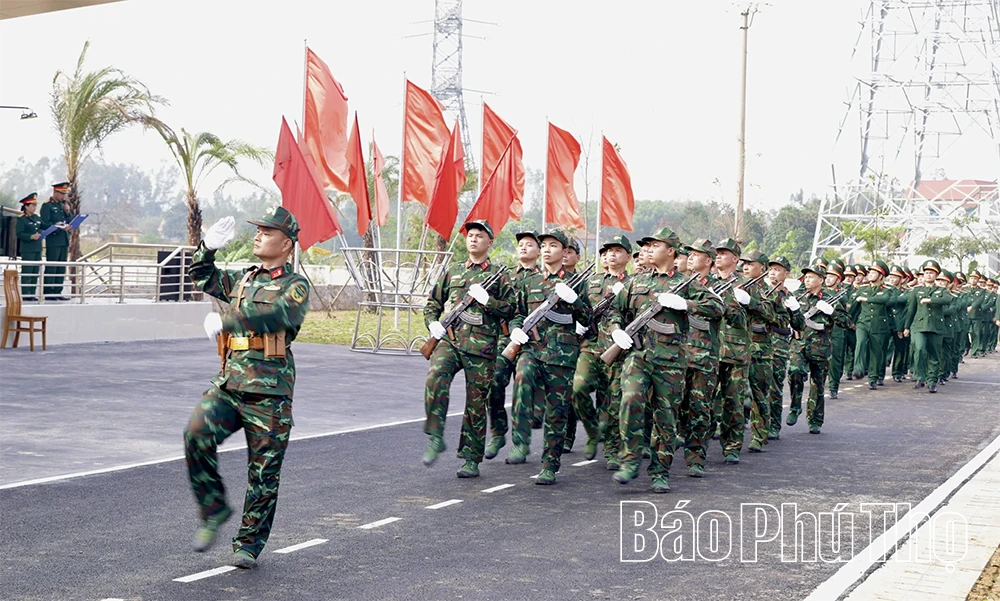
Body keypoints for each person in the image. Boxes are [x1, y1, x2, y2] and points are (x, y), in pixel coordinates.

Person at [184, 207, 310, 569]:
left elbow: (278, 316)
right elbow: (203, 277)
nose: (257, 235)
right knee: (196, 434)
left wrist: (227, 320)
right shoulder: (244, 278)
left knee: (263, 473)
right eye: (257, 230)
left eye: (266, 232)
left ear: (286, 243)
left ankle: (249, 543)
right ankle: (214, 508)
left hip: (269, 391)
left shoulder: (295, 285)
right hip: (231, 384)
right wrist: (207, 247)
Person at [607, 227, 720, 492]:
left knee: (666, 418)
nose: (648, 249)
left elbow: (717, 308)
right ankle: (630, 460)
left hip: (671, 362)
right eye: (646, 246)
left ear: (670, 251)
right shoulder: (636, 282)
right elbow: (614, 310)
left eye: (654, 245)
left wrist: (687, 305)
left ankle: (660, 471)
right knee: (631, 399)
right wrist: (616, 330)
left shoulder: (687, 284)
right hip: (638, 356)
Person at [422, 220, 513, 477]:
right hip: (451, 341)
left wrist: (490, 302)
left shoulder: (500, 274)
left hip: (482, 348)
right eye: (470, 235)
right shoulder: (453, 271)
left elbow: (511, 309)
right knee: (435, 376)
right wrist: (432, 325)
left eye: (479, 236)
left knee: (475, 404)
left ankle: (471, 458)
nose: (473, 239)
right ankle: (435, 433)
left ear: (490, 242)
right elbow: (433, 303)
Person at [506, 229, 592, 484]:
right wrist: (515, 328)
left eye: (553, 245)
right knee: (523, 376)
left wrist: (575, 301)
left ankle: (549, 465)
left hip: (562, 356)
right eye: (543, 245)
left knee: (557, 412)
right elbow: (517, 312)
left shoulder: (577, 283)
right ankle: (520, 441)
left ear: (564, 252)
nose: (546, 250)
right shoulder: (529, 281)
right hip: (532, 348)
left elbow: (588, 319)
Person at [571, 235, 632, 466]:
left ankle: (612, 449)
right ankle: (593, 431)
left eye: (617, 250)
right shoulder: (591, 281)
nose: (610, 255)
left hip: (619, 350)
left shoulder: (635, 283)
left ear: (628, 256)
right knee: (579, 388)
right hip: (591, 346)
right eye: (606, 251)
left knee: (612, 402)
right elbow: (580, 308)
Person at [485, 230, 540, 460]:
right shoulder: (503, 275)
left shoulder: (544, 279)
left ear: (539, 250)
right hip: (504, 339)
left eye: (530, 244)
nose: (524, 248)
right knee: (493, 382)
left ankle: (520, 442)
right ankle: (498, 432)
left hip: (531, 344)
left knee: (522, 383)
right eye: (521, 245)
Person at [677, 238, 725, 476]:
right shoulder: (679, 283)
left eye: (697, 254)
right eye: (690, 254)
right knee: (678, 406)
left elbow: (719, 309)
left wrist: (687, 304)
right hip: (678, 355)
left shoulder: (717, 286)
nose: (691, 257)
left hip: (704, 357)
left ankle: (695, 458)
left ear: (708, 260)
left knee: (699, 408)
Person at [788, 264, 852, 434]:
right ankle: (795, 407)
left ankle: (815, 420)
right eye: (806, 276)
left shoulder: (832, 298)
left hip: (820, 347)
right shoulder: (797, 296)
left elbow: (847, 323)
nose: (807, 279)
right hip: (799, 344)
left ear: (821, 280)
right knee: (794, 371)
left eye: (811, 276)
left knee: (817, 385)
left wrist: (832, 312)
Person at [712, 238, 752, 464]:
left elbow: (769, 312)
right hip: (709, 350)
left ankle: (732, 446)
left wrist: (749, 301)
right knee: (704, 401)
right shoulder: (705, 281)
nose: (718, 256)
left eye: (723, 253)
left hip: (736, 352)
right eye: (716, 253)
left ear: (735, 259)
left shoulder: (746, 284)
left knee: (733, 402)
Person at [765, 255, 804, 439]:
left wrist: (795, 311)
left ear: (786, 273)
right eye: (771, 268)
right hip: (757, 342)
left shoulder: (788, 296)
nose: (773, 272)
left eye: (778, 269)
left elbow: (799, 326)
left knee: (774, 387)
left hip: (778, 344)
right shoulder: (761, 291)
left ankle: (773, 425)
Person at [904, 260, 949, 393]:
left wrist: (931, 300)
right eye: (926, 273)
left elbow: (947, 300)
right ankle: (920, 377)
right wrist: (906, 327)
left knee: (934, 354)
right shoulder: (916, 291)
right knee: (919, 350)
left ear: (936, 275)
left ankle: (932, 381)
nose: (928, 275)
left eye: (931, 273)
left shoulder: (941, 290)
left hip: (935, 326)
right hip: (919, 326)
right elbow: (911, 310)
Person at [852, 260, 894, 390]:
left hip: (879, 325)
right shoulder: (862, 289)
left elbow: (885, 300)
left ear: (881, 276)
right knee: (861, 342)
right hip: (863, 323)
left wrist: (867, 299)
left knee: (876, 352)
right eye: (870, 272)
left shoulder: (887, 290)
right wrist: (850, 322)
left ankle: (873, 378)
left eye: (874, 272)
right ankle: (858, 368)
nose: (870, 274)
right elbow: (854, 308)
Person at [40, 182, 73, 301]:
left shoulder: (63, 205)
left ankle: (58, 291)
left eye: (65, 194)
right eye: (61, 194)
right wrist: (56, 225)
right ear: (55, 192)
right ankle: (49, 291)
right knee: (52, 266)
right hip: (53, 240)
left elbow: (70, 220)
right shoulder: (47, 206)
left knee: (61, 267)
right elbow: (43, 223)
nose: (63, 196)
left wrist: (68, 212)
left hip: (63, 240)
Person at [15, 194, 43, 301]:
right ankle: (26, 294)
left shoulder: (37, 217)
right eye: (32, 205)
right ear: (26, 206)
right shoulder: (22, 219)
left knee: (35, 272)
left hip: (37, 248)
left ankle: (32, 293)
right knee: (28, 271)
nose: (34, 207)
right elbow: (19, 233)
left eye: (35, 205)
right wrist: (31, 236)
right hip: (27, 249)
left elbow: (44, 225)